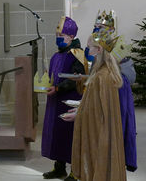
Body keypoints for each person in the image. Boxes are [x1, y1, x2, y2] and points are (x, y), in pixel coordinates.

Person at [69, 30, 126, 181]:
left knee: (98, 165)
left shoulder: (102, 77)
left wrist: (78, 114)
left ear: (99, 49)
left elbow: (98, 113)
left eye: (90, 47)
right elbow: (95, 106)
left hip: (98, 133)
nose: (87, 50)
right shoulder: (103, 73)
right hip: (102, 129)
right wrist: (79, 110)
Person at [92, 10, 137, 171]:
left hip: (118, 97)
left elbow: (131, 77)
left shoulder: (120, 49)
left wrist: (116, 64)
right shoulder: (95, 48)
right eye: (96, 27)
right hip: (99, 97)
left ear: (111, 30)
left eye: (101, 27)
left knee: (117, 135)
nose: (98, 30)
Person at [41, 16, 86, 181]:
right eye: (57, 34)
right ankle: (59, 169)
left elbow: (77, 79)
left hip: (70, 100)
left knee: (71, 136)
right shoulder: (56, 55)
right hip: (55, 101)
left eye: (62, 35)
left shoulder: (78, 54)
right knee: (58, 135)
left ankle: (76, 172)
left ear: (71, 36)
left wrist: (59, 88)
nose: (58, 37)